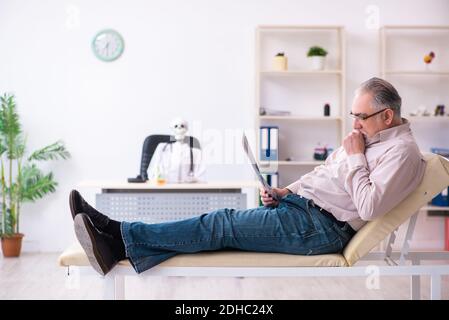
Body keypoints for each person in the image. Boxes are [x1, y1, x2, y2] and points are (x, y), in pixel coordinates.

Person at [70, 77, 426, 276]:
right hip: (301, 210)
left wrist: (354, 158)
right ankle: (117, 242)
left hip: (321, 229)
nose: (354, 124)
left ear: (388, 116)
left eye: (361, 116)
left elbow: (369, 204)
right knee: (219, 227)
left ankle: (117, 232)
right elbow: (324, 175)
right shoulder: (366, 139)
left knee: (220, 224)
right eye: (352, 115)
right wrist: (286, 190)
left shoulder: (401, 153)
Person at [147, 118, 205, 184]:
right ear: (172, 129)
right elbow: (152, 173)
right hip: (165, 189)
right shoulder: (162, 148)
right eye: (176, 126)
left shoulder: (195, 152)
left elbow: (201, 177)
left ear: (187, 129)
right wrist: (158, 177)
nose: (179, 128)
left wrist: (194, 179)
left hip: (187, 190)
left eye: (182, 126)